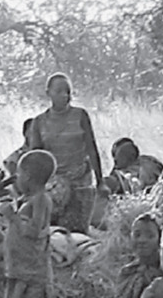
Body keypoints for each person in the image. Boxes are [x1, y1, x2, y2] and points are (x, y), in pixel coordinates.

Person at [1, 150, 71, 298]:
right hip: (21, 269)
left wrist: (12, 218)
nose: (17, 177)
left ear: (29, 176)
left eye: (19, 173)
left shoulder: (41, 200)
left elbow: (34, 232)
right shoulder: (29, 200)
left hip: (34, 272)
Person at [23, 73, 104, 232]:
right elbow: (36, 158)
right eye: (59, 91)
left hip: (80, 183)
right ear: (48, 93)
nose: (65, 95)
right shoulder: (39, 122)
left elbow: (91, 148)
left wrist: (100, 181)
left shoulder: (80, 115)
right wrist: (34, 189)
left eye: (67, 91)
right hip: (54, 186)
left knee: (77, 230)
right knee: (54, 230)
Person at [100, 212, 163, 298]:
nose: (142, 240)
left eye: (150, 236)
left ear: (160, 240)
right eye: (137, 235)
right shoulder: (128, 272)